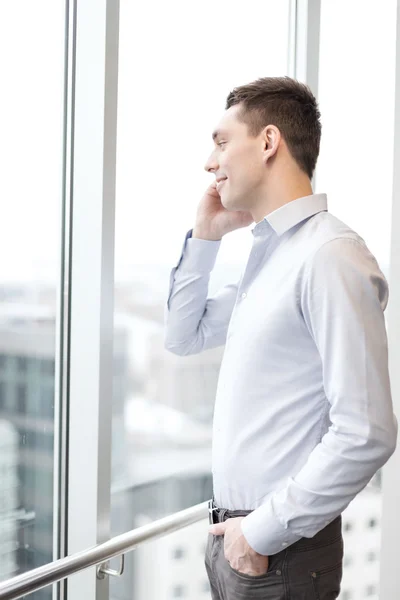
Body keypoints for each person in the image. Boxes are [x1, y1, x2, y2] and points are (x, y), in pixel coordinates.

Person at [164, 76, 398, 599]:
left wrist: (259, 534)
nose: (209, 162)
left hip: (277, 549)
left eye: (222, 142)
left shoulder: (330, 256)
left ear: (268, 142)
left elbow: (367, 431)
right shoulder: (272, 256)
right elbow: (183, 336)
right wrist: (205, 236)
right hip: (239, 540)